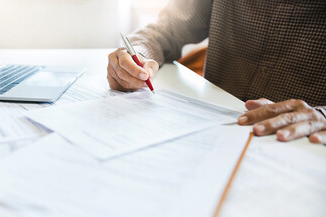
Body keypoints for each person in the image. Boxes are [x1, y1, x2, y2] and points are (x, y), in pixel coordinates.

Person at [107, 0, 326, 144]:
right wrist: (137, 55)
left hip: (302, 143)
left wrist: (323, 115)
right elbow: (167, 29)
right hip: (209, 131)